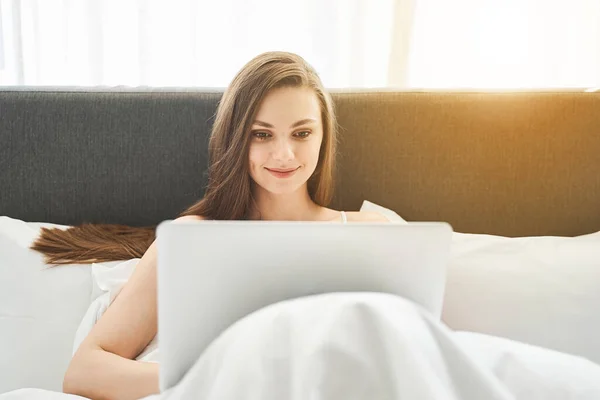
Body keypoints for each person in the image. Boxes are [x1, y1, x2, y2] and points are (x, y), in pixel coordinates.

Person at [32, 51, 387, 400]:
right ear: (236, 140)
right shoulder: (190, 240)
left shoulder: (370, 233)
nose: (284, 155)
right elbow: (84, 372)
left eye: (301, 133)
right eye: (262, 135)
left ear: (323, 136)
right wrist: (218, 377)